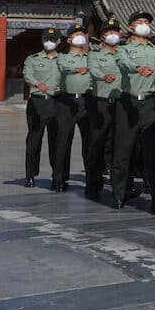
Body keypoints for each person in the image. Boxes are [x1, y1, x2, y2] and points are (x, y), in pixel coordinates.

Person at [114, 11, 155, 213]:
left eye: (147, 22)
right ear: (131, 27)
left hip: (151, 104)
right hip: (128, 103)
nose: (144, 25)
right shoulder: (124, 49)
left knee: (153, 154)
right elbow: (122, 63)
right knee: (123, 152)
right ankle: (119, 194)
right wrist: (137, 68)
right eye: (140, 22)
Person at [84, 18, 124, 200]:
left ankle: (121, 187)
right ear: (102, 37)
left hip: (122, 104)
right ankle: (93, 184)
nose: (113, 35)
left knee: (120, 146)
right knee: (97, 145)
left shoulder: (125, 54)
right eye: (109, 32)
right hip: (101, 103)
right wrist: (102, 76)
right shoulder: (95, 55)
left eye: (115, 31)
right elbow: (92, 69)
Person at [53, 24, 92, 192]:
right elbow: (61, 68)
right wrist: (76, 69)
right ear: (69, 39)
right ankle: (59, 180)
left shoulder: (92, 58)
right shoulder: (62, 57)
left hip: (87, 102)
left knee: (90, 144)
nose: (80, 37)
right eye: (76, 34)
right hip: (66, 102)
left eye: (83, 34)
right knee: (62, 142)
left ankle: (92, 181)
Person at [23, 27, 63, 188]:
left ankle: (57, 177)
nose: (49, 42)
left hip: (57, 103)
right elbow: (27, 74)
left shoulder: (64, 60)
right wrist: (37, 83)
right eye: (46, 39)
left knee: (56, 142)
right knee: (34, 140)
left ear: (59, 41)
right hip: (37, 102)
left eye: (52, 39)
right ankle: (30, 175)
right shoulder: (32, 59)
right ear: (42, 40)